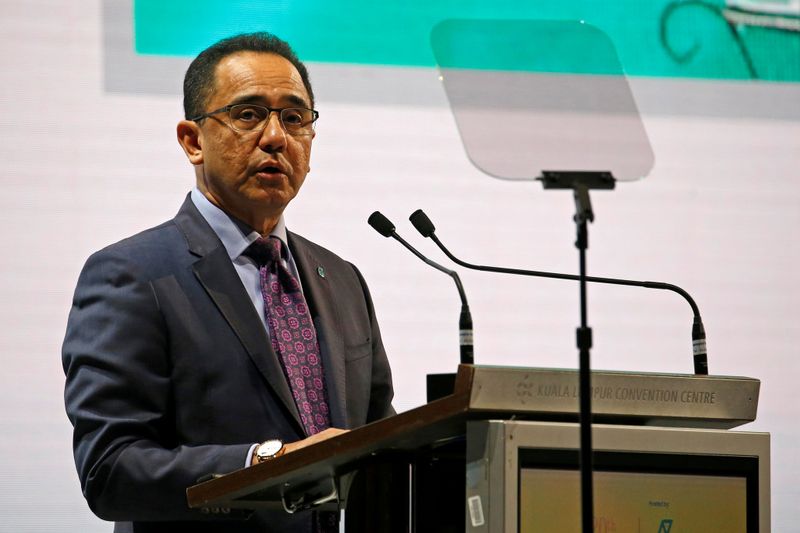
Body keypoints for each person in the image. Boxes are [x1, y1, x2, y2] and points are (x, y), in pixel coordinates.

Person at [62, 32, 394, 533]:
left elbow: (376, 446)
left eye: (294, 117)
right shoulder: (132, 275)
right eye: (248, 114)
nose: (276, 137)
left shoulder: (343, 281)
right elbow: (111, 469)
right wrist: (266, 461)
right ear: (193, 141)